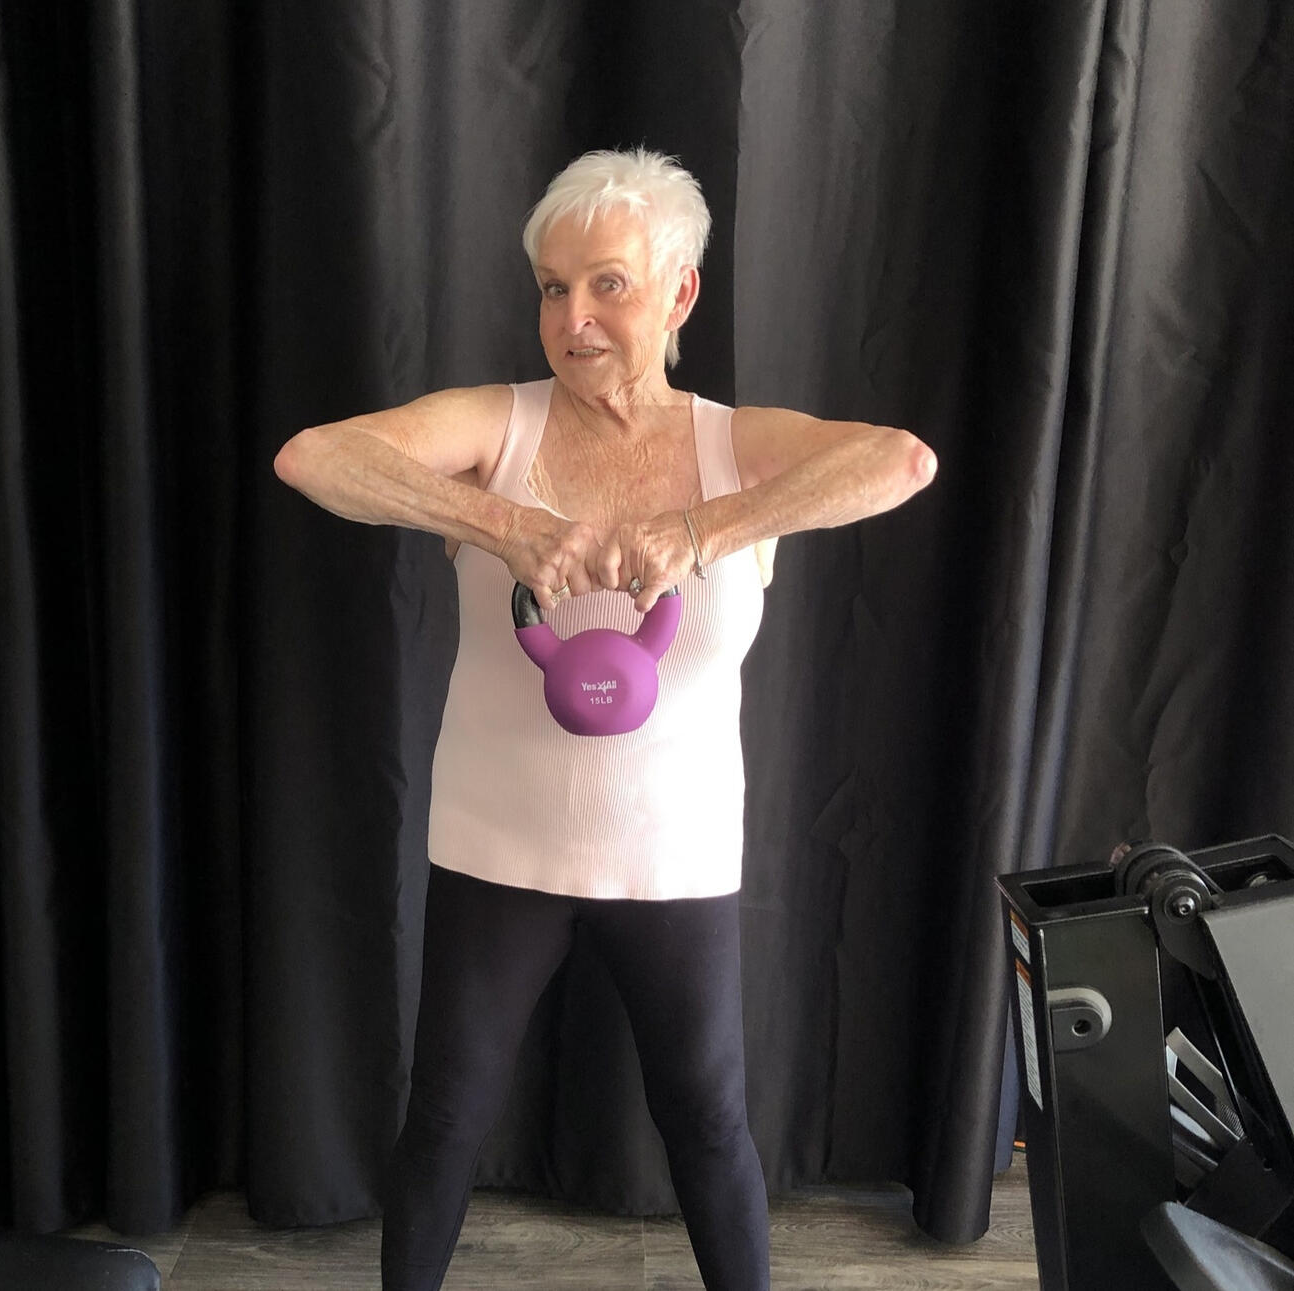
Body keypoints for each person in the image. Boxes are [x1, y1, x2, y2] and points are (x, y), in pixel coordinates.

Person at [274, 148, 937, 1291]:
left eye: (607, 284)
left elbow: (901, 460)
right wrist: (494, 521)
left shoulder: (737, 444)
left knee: (710, 1124)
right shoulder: (500, 423)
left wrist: (706, 528)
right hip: (495, 843)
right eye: (550, 287)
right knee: (441, 1121)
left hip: (673, 856)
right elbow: (313, 456)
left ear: (678, 293)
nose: (572, 318)